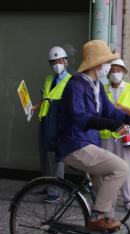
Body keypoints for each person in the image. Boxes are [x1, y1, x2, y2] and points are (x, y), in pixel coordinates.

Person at [56, 40, 130, 234]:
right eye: (106, 63)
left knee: (107, 207)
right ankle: (96, 216)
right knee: (121, 168)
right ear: (96, 65)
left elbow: (112, 112)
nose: (109, 67)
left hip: (89, 144)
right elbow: (81, 117)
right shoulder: (76, 85)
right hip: (74, 144)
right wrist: (111, 125)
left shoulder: (95, 85)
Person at [100, 59, 130, 210]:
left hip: (125, 133)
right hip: (106, 133)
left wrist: (122, 108)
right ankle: (107, 200)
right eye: (113, 70)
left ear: (123, 72)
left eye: (118, 70)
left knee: (128, 166)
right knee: (106, 167)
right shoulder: (102, 88)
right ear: (108, 73)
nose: (115, 73)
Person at [31, 46, 71, 203]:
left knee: (56, 157)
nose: (57, 64)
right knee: (44, 156)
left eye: (59, 61)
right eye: (53, 62)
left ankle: (57, 192)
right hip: (45, 120)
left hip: (58, 123)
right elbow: (46, 98)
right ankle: (48, 185)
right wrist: (34, 107)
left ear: (66, 62)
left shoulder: (70, 81)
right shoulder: (49, 79)